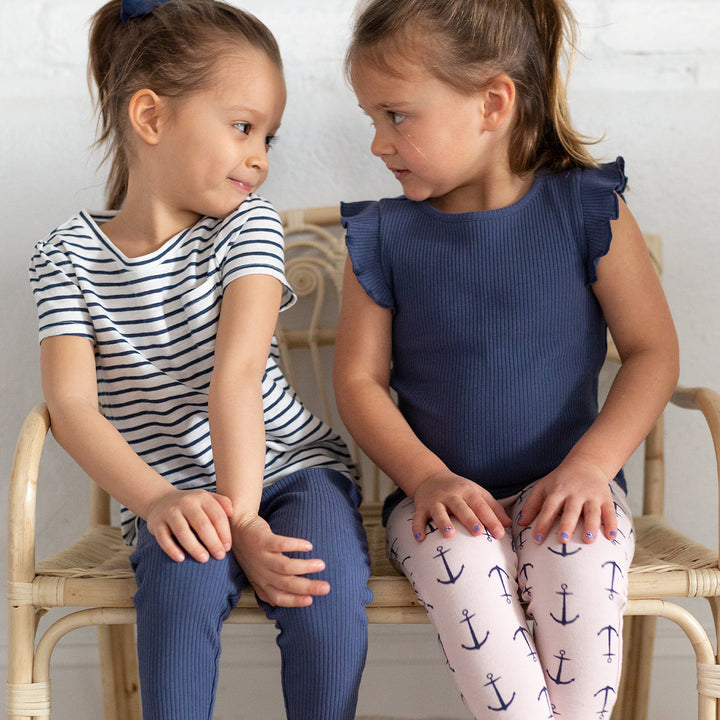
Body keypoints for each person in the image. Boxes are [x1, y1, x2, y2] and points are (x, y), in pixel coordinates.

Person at [334, 0, 679, 717]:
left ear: (493, 103)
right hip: (439, 506)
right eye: (372, 118)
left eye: (395, 116)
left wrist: (589, 469)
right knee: (481, 621)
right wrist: (426, 479)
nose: (377, 142)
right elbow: (359, 382)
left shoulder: (588, 209)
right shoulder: (383, 235)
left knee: (581, 614)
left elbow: (651, 353)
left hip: (572, 493)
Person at [28, 1, 372, 718]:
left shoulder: (247, 229)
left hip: (287, 469)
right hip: (170, 491)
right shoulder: (65, 256)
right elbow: (72, 407)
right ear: (150, 118)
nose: (261, 158)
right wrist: (157, 501)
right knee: (181, 590)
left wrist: (246, 522)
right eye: (244, 127)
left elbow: (236, 377)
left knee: (319, 589)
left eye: (270, 136)